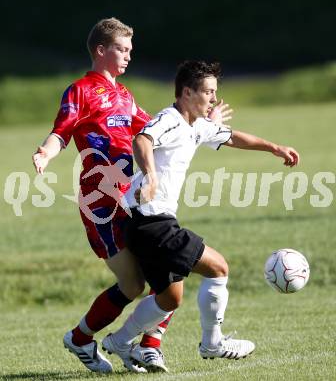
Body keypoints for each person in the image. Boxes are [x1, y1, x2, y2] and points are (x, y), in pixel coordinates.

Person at [32, 19, 230, 374]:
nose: (127, 57)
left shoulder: (124, 95)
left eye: (130, 51)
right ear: (101, 50)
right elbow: (61, 132)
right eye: (122, 50)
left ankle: (148, 346)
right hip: (103, 206)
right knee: (134, 283)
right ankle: (80, 339)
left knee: (170, 273)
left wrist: (202, 116)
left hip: (136, 199)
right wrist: (45, 153)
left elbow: (155, 126)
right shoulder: (80, 91)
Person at [101, 60, 300, 371]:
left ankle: (119, 341)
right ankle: (212, 343)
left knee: (169, 300)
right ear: (187, 92)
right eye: (208, 92)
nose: (212, 98)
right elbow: (142, 139)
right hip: (151, 221)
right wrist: (150, 175)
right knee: (218, 267)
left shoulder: (196, 125)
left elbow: (232, 137)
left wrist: (274, 147)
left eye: (215, 92)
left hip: (147, 224)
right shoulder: (170, 119)